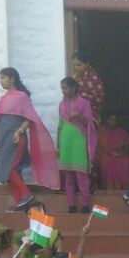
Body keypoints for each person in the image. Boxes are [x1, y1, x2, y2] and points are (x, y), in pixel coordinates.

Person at [0, 68, 58, 213]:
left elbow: (29, 118)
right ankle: (19, 202)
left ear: (12, 79)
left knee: (10, 169)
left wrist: (20, 131)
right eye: (0, 78)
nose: (1, 81)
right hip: (3, 139)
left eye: (3, 77)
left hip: (15, 138)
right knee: (4, 172)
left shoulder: (22, 97)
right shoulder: (3, 98)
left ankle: (27, 195)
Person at [56, 76, 97, 213]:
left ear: (73, 88)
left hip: (79, 141)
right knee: (68, 176)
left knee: (81, 175)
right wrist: (58, 146)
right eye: (62, 88)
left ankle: (85, 204)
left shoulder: (84, 104)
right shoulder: (62, 104)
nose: (63, 91)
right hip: (65, 142)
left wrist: (78, 116)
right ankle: (71, 204)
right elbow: (60, 125)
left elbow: (89, 124)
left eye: (65, 88)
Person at [96, 112, 129, 191]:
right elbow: (99, 148)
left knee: (125, 161)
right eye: (111, 119)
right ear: (106, 120)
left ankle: (124, 189)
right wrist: (110, 153)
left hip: (120, 155)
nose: (113, 122)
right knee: (108, 162)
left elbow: (127, 146)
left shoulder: (122, 132)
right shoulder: (102, 131)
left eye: (115, 120)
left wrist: (120, 153)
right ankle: (109, 188)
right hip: (105, 155)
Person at [69, 52, 105, 123]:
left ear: (87, 64)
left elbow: (99, 99)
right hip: (74, 116)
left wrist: (81, 97)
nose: (76, 68)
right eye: (74, 65)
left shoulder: (94, 79)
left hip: (89, 117)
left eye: (79, 65)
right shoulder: (75, 77)